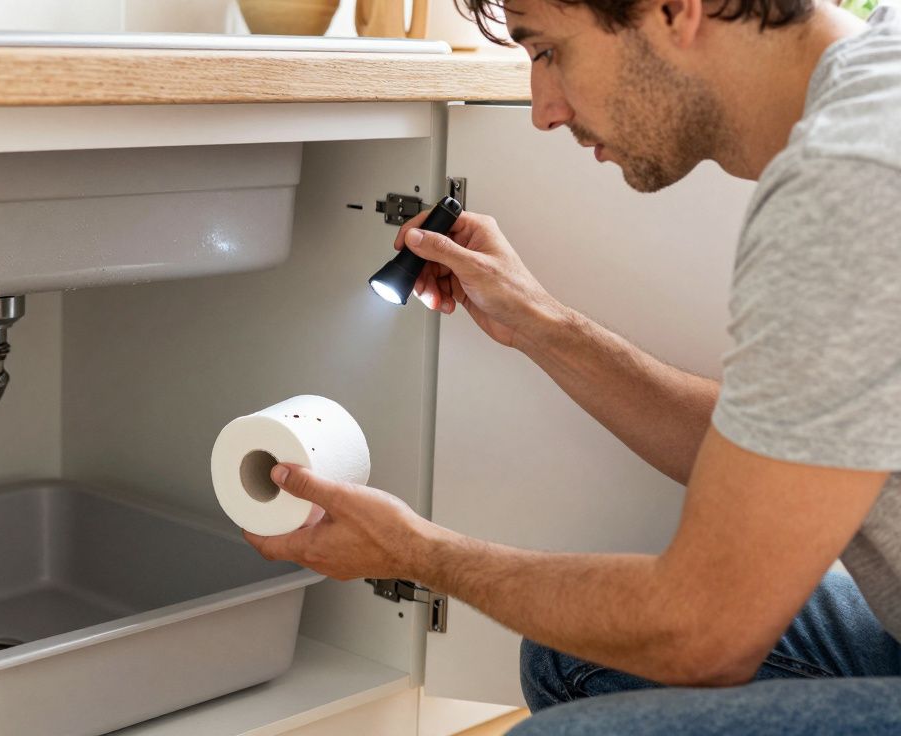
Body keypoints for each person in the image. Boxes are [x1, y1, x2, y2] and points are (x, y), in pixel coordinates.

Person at [243, 0, 901, 731]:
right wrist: (541, 324)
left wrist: (415, 552)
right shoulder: (876, 82)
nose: (543, 111)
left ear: (675, 10)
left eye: (547, 51)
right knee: (569, 659)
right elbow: (779, 450)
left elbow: (702, 634)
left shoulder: (853, 180)